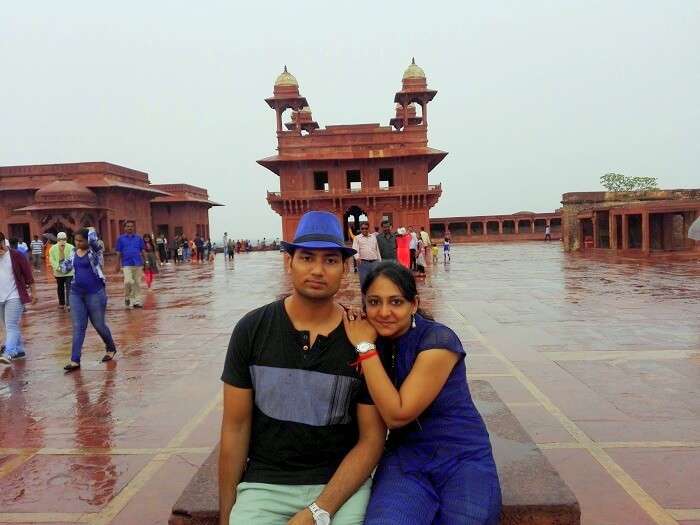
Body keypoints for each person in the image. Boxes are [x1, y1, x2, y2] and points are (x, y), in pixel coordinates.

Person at [219, 211, 386, 525]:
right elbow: (235, 427)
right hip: (266, 485)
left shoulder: (361, 337)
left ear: (346, 267)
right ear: (289, 262)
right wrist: (225, 515)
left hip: (342, 484)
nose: (318, 270)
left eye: (331, 260)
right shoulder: (252, 330)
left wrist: (319, 510)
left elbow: (372, 439)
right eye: (307, 257)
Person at [344, 262, 502, 524]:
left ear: (414, 305)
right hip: (406, 459)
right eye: (374, 302)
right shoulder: (379, 342)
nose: (384, 312)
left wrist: (364, 347)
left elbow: (398, 414)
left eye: (396, 302)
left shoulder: (438, 341)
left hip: (461, 456)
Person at [60, 228, 117, 372]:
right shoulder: (73, 253)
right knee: (79, 326)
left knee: (98, 324)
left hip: (95, 293)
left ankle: (110, 347)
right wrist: (61, 252)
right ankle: (75, 360)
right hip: (76, 293)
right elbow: (64, 269)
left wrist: (90, 232)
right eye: (76, 240)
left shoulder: (95, 252)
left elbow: (94, 242)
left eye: (81, 240)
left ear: (88, 240)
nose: (78, 243)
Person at [0, 232, 37, 365]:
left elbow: (28, 275)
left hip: (14, 295)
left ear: (3, 243)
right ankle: (19, 349)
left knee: (11, 325)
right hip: (0, 297)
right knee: (6, 326)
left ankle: (9, 352)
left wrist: (34, 293)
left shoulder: (16, 255)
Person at [115, 220, 146, 309]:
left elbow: (142, 250)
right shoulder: (120, 239)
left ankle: (137, 301)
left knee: (137, 283)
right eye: (128, 226)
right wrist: (117, 264)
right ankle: (127, 296)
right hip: (126, 263)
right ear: (124, 228)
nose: (130, 228)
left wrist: (146, 261)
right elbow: (118, 252)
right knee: (128, 281)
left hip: (138, 263)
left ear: (134, 227)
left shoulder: (138, 238)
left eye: (131, 226)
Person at [49, 232, 75, 311]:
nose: (62, 241)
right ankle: (61, 303)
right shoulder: (52, 248)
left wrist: (67, 268)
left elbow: (72, 258)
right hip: (58, 272)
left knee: (69, 287)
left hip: (69, 271)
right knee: (60, 288)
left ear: (66, 239)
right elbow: (52, 260)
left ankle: (69, 304)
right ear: (57, 239)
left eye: (63, 239)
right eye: (60, 239)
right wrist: (58, 267)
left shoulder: (71, 247)